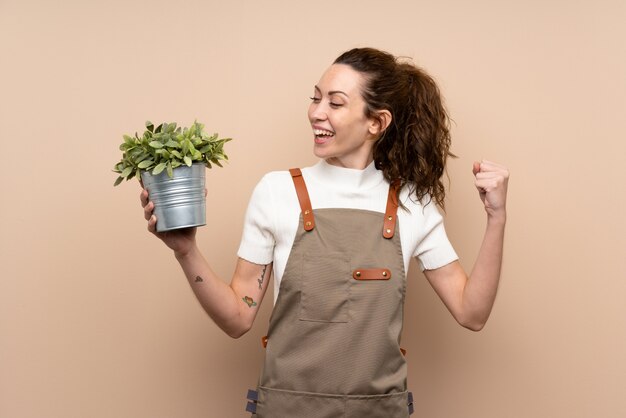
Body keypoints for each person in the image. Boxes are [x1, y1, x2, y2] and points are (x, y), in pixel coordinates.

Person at [140, 47, 509, 418]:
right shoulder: (276, 191)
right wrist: (185, 250)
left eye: (335, 103)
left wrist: (496, 217)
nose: (317, 112)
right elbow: (238, 317)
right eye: (316, 98)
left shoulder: (413, 203)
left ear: (376, 122)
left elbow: (471, 312)